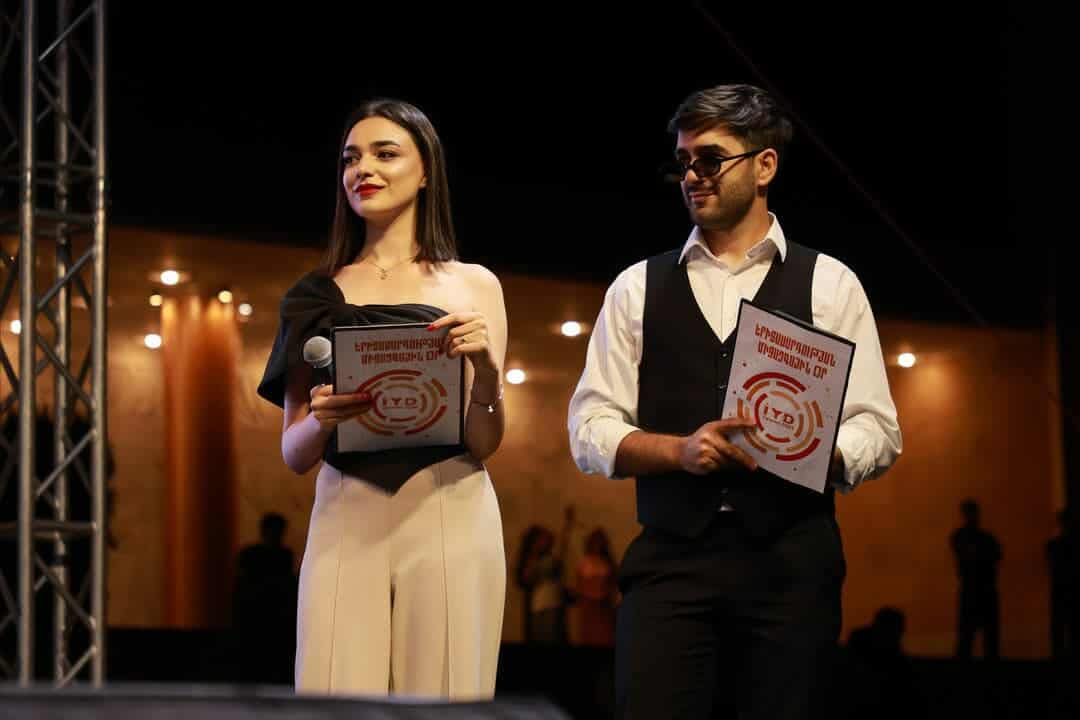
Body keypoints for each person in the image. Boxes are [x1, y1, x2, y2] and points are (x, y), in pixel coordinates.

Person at [567, 83, 902, 719]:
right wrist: (678, 452)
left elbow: (877, 429)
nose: (693, 175)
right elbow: (589, 426)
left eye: (711, 159)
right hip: (671, 560)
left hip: (791, 561)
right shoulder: (637, 286)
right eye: (684, 161)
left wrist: (814, 450)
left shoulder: (830, 283)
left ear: (765, 165)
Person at [256, 98, 508, 698]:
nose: (362, 169)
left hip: (449, 507)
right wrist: (321, 420)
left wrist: (488, 375)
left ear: (426, 171)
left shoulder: (474, 284)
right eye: (350, 158)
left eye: (384, 153)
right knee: (333, 696)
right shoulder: (313, 293)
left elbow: (483, 442)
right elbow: (293, 452)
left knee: (447, 696)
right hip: (347, 511)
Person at [950, 499, 1001, 660]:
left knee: (969, 636)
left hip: (974, 589)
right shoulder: (985, 538)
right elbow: (995, 555)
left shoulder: (960, 537)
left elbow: (991, 555)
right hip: (980, 589)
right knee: (984, 636)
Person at [571, 528, 618, 647]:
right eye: (596, 541)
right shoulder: (584, 563)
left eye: (600, 541)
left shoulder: (608, 563)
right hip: (589, 608)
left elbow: (613, 587)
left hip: (604, 608)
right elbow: (579, 587)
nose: (598, 545)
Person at [1047, 506, 1078, 659]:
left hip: (1060, 592)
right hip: (1066, 592)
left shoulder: (1053, 546)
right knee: (1064, 630)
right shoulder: (1055, 546)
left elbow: (1052, 568)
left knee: (1059, 631)